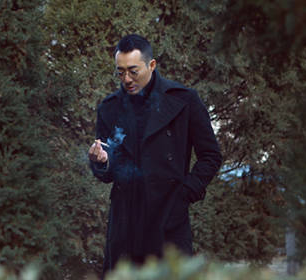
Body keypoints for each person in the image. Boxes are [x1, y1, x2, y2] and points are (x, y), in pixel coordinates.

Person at [88, 34, 222, 276]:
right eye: (120, 72)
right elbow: (109, 170)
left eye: (133, 71)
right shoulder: (109, 107)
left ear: (151, 65)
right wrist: (103, 161)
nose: (126, 79)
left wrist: (185, 193)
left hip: (168, 217)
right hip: (125, 222)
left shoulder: (184, 100)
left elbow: (211, 155)